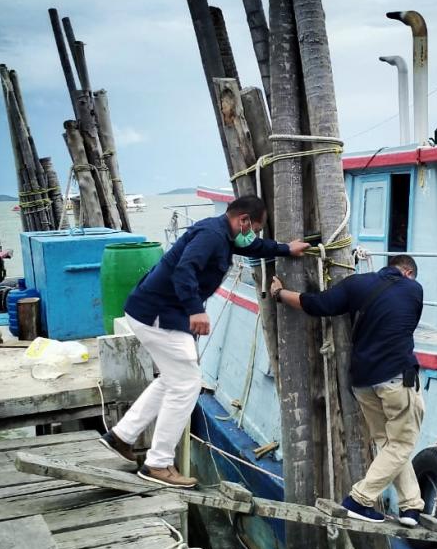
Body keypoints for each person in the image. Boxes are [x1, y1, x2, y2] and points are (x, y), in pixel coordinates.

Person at [99, 195, 309, 488]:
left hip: (154, 311)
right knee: (187, 383)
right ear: (243, 220)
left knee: (173, 379)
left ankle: (122, 436)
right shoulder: (212, 235)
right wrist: (195, 310)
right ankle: (157, 463)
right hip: (159, 314)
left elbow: (252, 247)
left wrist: (286, 249)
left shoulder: (224, 233)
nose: (254, 235)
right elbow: (184, 270)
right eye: (255, 229)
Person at [269, 254, 425, 527]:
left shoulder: (357, 284)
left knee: (388, 443)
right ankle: (359, 500)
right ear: (408, 273)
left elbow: (316, 304)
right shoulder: (414, 290)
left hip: (363, 382)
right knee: (401, 444)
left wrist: (280, 293)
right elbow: (405, 326)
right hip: (396, 379)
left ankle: (411, 506)